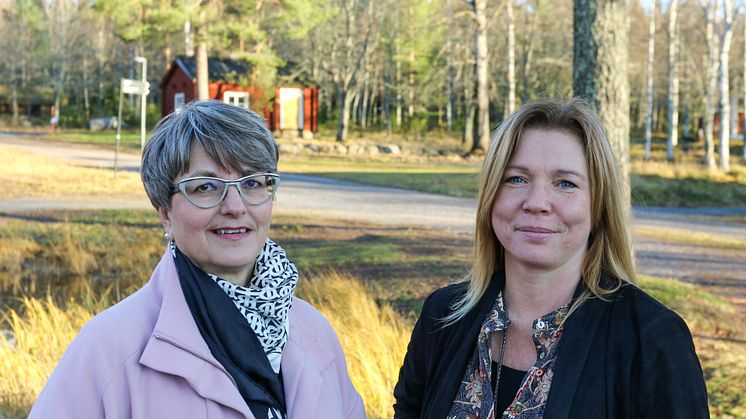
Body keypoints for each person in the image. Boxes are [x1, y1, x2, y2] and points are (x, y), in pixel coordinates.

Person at [30, 100, 366, 419]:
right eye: (205, 187)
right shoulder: (109, 350)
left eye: (251, 183)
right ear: (164, 213)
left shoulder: (315, 333)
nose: (235, 207)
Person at [393, 98, 709, 418]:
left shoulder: (653, 340)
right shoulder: (443, 317)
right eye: (516, 178)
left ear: (598, 205)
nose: (537, 202)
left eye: (565, 183)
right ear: (491, 195)